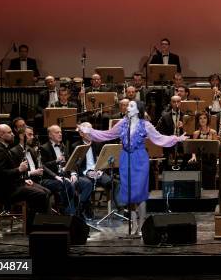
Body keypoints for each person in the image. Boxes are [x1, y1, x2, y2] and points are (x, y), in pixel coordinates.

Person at [78, 100, 187, 234]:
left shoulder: (146, 125)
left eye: (130, 106)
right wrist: (89, 130)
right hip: (125, 159)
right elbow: (107, 134)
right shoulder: (123, 123)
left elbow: (159, 138)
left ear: (138, 110)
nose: (127, 108)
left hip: (140, 160)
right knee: (130, 195)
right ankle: (134, 224)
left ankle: (142, 225)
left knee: (139, 194)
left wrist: (176, 139)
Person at [0, 124, 50, 232]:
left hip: (13, 186)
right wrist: (19, 170)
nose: (13, 134)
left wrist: (23, 179)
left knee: (46, 191)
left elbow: (9, 173)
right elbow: (2, 174)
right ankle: (34, 227)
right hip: (6, 191)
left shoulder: (3, 148)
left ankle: (42, 223)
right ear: (1, 135)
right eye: (9, 132)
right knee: (40, 194)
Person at [41, 125, 94, 218]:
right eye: (57, 132)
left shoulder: (63, 146)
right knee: (68, 184)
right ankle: (69, 213)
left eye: (60, 132)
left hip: (66, 175)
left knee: (87, 183)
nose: (60, 134)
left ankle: (78, 207)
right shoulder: (44, 148)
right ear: (50, 135)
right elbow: (43, 166)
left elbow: (71, 162)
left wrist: (73, 173)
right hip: (51, 178)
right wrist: (56, 161)